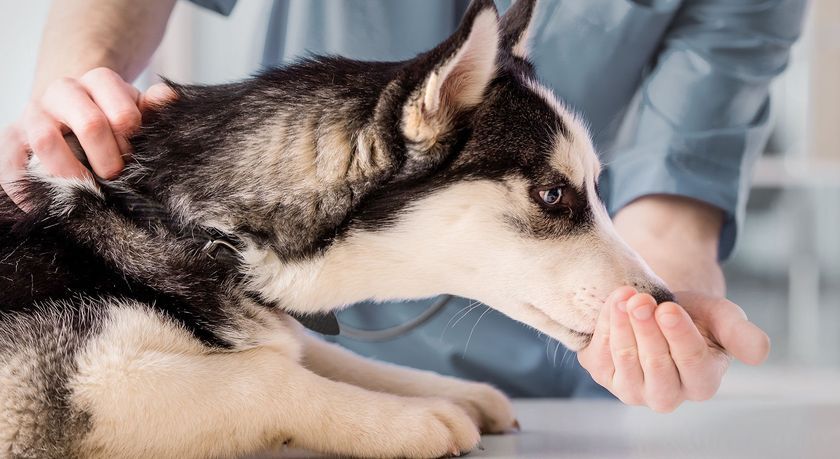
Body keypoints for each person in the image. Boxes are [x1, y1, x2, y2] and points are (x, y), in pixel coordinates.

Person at [0, 0, 806, 411]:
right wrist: (82, 88)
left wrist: (652, 311)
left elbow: (678, 181)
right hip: (254, 293)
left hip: (530, 388)